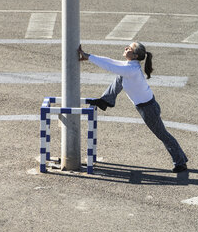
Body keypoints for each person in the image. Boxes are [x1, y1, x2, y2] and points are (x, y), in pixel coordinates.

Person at [78, 42, 188, 173]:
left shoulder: (130, 70)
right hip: (147, 104)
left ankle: (180, 162)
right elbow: (110, 61)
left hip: (148, 109)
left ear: (135, 55)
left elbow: (109, 66)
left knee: (163, 135)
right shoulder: (129, 67)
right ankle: (106, 100)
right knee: (120, 76)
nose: (126, 48)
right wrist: (88, 56)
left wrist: (88, 56)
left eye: (129, 48)